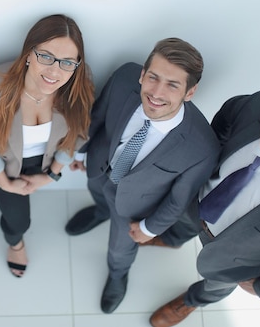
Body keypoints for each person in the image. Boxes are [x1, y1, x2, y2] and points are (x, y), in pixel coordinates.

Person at [64, 38, 219, 313]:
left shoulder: (202, 147)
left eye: (172, 84)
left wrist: (149, 229)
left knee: (119, 249)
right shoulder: (124, 78)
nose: (156, 93)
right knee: (97, 193)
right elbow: (96, 118)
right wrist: (79, 153)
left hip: (136, 207)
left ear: (190, 92)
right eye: (153, 77)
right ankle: (101, 211)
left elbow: (178, 199)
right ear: (142, 74)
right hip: (99, 166)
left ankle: (117, 275)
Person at [148, 79, 260, 327]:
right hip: (198, 205)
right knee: (185, 222)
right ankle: (171, 239)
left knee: (216, 285)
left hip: (232, 261)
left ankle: (194, 300)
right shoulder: (258, 105)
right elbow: (226, 118)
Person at [0, 14, 95, 278]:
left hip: (48, 160)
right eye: (46, 56)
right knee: (19, 221)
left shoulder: (79, 86)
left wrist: (51, 174)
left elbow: (79, 133)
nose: (54, 71)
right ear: (28, 53)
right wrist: (4, 182)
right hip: (4, 164)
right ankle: (15, 243)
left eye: (67, 62)